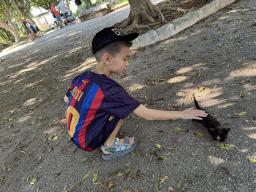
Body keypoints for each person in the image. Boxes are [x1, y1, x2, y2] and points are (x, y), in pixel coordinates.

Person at [64, 27, 208, 160]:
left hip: (76, 134)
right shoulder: (109, 90)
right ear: (107, 59)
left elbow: (66, 98)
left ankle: (100, 131)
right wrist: (183, 114)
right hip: (88, 142)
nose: (127, 64)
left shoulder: (82, 77)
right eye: (125, 59)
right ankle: (109, 146)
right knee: (122, 109)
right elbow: (147, 114)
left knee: (113, 106)